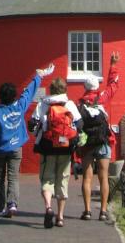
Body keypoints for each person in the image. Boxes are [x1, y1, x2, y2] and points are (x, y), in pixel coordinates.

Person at [0, 63, 55, 218]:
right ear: (13, 96)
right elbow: (28, 93)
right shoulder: (19, 106)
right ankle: (12, 204)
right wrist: (39, 76)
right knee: (13, 176)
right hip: (16, 147)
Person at [31, 76, 82, 228]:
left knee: (47, 179)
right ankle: (60, 217)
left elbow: (31, 124)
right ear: (64, 90)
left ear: (51, 90)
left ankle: (48, 207)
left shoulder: (43, 104)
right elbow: (80, 124)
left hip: (48, 147)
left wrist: (39, 132)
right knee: (63, 180)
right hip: (66, 147)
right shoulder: (69, 104)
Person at [78, 51, 120, 222]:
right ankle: (103, 211)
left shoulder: (80, 104)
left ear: (85, 87)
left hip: (87, 144)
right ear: (96, 87)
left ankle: (87, 211)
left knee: (87, 178)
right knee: (103, 177)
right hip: (103, 142)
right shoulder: (102, 98)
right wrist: (113, 65)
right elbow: (113, 85)